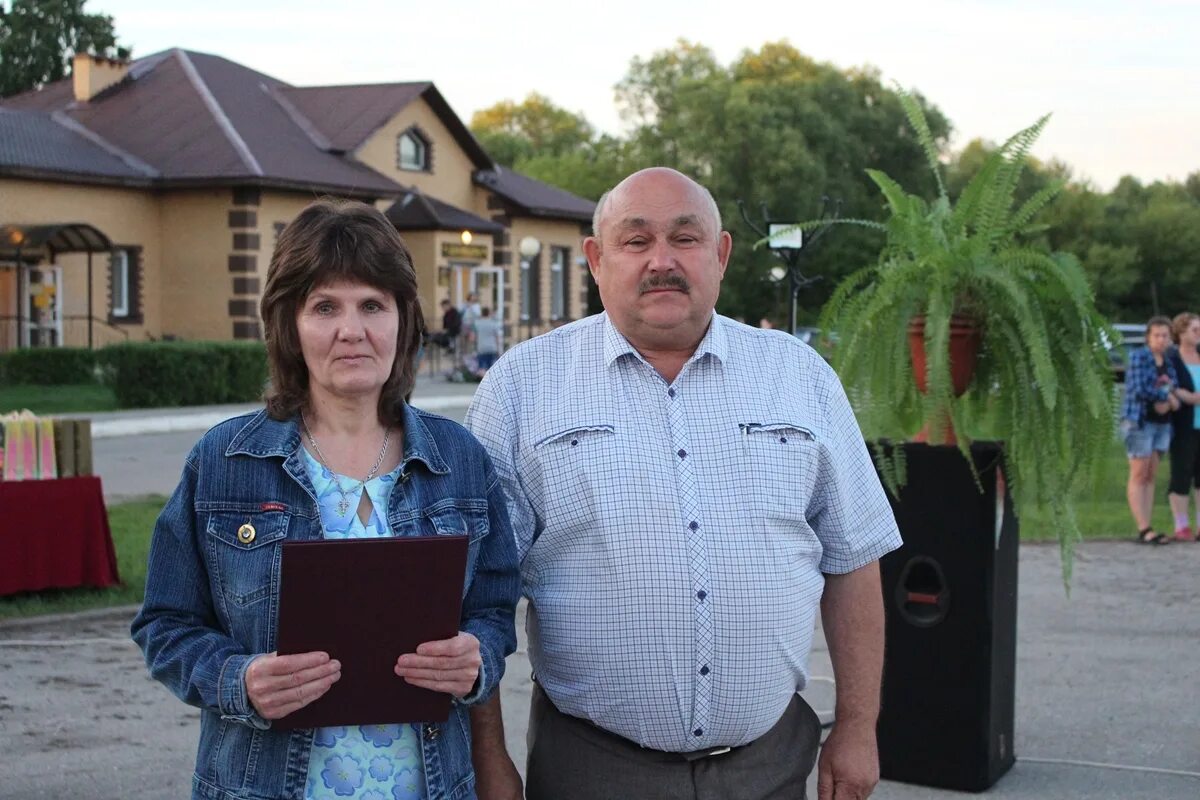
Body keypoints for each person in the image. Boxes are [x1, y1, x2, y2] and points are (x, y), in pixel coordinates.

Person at [465, 167, 902, 800]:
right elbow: (479, 587)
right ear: (595, 258)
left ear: (720, 255)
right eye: (635, 240)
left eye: (685, 238)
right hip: (591, 770)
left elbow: (854, 558)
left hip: (770, 766)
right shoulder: (522, 387)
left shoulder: (799, 377)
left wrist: (859, 727)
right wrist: (489, 753)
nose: (661, 261)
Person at [131, 199, 520, 800]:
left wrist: (476, 658)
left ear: (402, 320)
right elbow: (165, 623)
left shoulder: (460, 460)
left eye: (372, 305)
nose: (351, 330)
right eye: (324, 307)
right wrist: (239, 679)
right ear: (288, 323)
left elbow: (493, 610)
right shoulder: (224, 462)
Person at [1122, 315, 1180, 545]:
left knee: (1151, 474)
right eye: (1157, 335)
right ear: (1148, 337)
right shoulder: (1139, 357)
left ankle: (1149, 522)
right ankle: (1142, 527)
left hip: (1162, 423)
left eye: (1165, 335)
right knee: (1138, 471)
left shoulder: (1168, 360)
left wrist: (1169, 398)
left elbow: (1172, 382)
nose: (1161, 340)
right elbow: (1138, 387)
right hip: (1140, 421)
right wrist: (1165, 396)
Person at [1166, 312, 1200, 541]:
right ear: (1181, 332)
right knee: (1181, 472)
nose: (1198, 334)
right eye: (1194, 330)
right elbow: (1168, 384)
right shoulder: (1173, 357)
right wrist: (1189, 397)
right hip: (1184, 423)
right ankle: (1181, 524)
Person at [470, 307, 502, 372]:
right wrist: (499, 348)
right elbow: (497, 337)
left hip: (481, 348)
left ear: (481, 314)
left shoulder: (477, 323)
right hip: (492, 348)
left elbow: (472, 338)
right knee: (491, 368)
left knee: (481, 367)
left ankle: (482, 380)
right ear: (489, 313)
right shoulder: (494, 323)